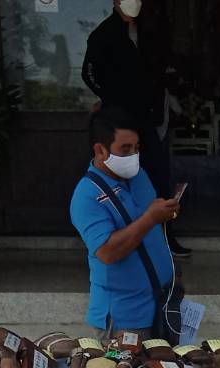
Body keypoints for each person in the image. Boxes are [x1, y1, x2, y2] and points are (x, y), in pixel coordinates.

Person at [81, 0, 190, 258]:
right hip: (118, 120)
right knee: (118, 178)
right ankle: (117, 239)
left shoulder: (147, 32)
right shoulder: (104, 34)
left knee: (158, 175)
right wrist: (110, 99)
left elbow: (156, 70)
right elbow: (89, 73)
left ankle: (165, 237)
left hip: (145, 117)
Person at [69, 108, 180, 342]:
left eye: (136, 148)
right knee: (129, 367)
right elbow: (107, 252)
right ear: (100, 150)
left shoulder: (139, 176)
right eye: (125, 149)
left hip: (163, 305)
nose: (133, 156)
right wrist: (150, 218)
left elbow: (147, 223)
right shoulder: (86, 196)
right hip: (125, 320)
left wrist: (164, 212)